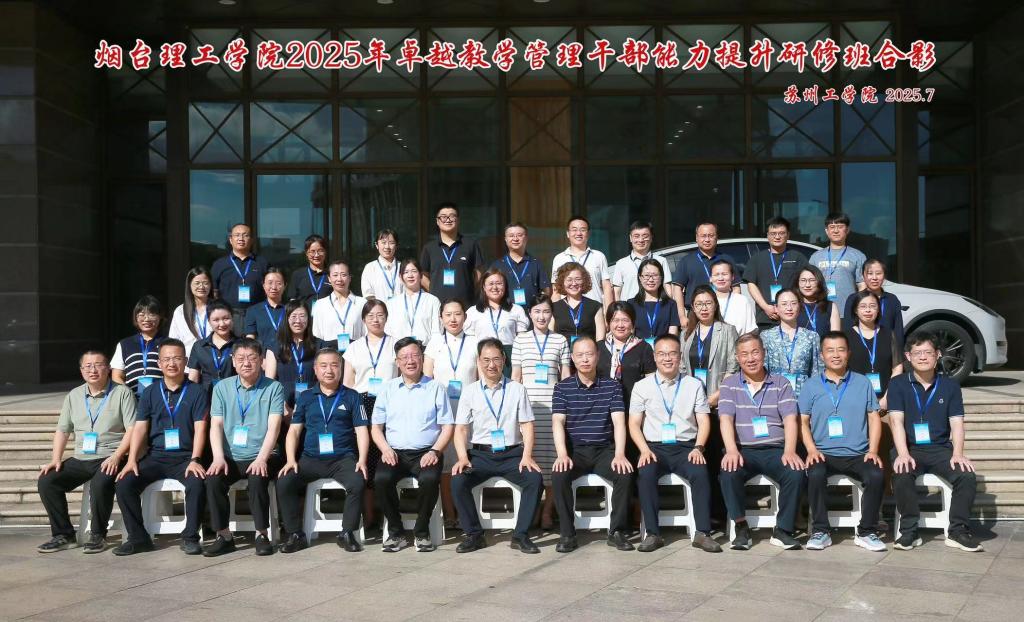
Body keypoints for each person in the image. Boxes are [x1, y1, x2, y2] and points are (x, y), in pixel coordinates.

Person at [888, 331, 982, 552]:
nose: (923, 357)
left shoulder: (950, 386)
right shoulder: (898, 384)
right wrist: (903, 453)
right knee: (902, 473)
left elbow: (957, 423)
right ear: (908, 356)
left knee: (966, 476)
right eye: (917, 353)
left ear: (937, 354)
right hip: (909, 447)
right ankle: (909, 531)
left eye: (928, 352)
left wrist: (958, 454)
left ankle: (958, 531)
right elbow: (895, 421)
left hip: (940, 449)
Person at [113, 339, 208, 556]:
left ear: (185, 361)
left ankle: (190, 537)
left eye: (177, 358)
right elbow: (139, 428)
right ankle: (138, 539)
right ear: (159, 363)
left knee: (197, 483)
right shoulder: (150, 392)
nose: (171, 363)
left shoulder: (197, 391)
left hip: (185, 457)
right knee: (125, 483)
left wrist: (195, 459)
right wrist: (131, 460)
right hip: (155, 457)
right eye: (166, 359)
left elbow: (201, 429)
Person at [629, 334, 722, 553]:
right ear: (654, 357)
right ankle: (653, 534)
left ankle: (702, 533)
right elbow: (633, 423)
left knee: (700, 472)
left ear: (680, 356)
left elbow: (703, 420)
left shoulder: (694, 384)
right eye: (662, 354)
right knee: (646, 473)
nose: (667, 358)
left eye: (672, 353)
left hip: (686, 447)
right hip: (654, 447)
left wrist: (699, 447)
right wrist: (643, 450)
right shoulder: (642, 386)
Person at [36, 351, 136, 554]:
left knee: (100, 483)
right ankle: (64, 535)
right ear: (81, 370)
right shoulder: (74, 395)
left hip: (110, 456)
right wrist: (55, 459)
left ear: (108, 369)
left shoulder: (122, 393)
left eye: (98, 365)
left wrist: (117, 456)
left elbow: (132, 429)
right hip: (81, 457)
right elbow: (63, 430)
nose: (93, 370)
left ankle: (98, 535)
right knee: (47, 481)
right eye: (88, 366)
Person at [451, 338, 544, 554]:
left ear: (504, 360)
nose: (491, 365)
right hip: (480, 456)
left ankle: (520, 535)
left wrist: (527, 456)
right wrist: (463, 457)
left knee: (534, 479)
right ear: (478, 361)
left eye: (496, 359)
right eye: (486, 360)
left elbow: (527, 425)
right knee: (458, 481)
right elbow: (461, 429)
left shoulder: (517, 389)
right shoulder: (470, 391)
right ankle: (474, 535)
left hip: (513, 455)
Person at [800, 331, 887, 552]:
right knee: (815, 474)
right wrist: (811, 449)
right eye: (830, 350)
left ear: (848, 353)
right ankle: (821, 531)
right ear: (822, 355)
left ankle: (867, 531)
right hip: (823, 452)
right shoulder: (811, 385)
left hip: (858, 453)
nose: (836, 355)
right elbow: (802, 421)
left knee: (876, 475)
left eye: (841, 350)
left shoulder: (862, 382)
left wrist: (873, 450)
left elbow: (874, 417)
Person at [718, 333, 806, 550]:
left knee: (795, 472)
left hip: (776, 449)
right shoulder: (729, 384)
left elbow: (790, 419)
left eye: (755, 352)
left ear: (764, 353)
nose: (750, 358)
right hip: (744, 450)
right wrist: (731, 450)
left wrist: (790, 450)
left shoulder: (781, 383)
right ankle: (741, 527)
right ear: (737, 358)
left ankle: (783, 530)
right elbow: (725, 419)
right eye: (744, 354)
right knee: (728, 472)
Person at [276, 349, 369, 553]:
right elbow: (294, 431)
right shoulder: (306, 397)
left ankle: (347, 533)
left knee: (357, 482)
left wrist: (362, 459)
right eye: (324, 366)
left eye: (334, 365)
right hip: (311, 459)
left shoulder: (352, 396)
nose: (329, 370)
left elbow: (362, 431)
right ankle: (295, 534)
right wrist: (291, 459)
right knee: (284, 481)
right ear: (316, 370)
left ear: (341, 369)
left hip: (343, 459)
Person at [551, 335, 635, 553]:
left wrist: (619, 454)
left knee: (624, 473)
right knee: (559, 475)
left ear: (598, 356)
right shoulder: (562, 388)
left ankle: (616, 531)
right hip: (576, 451)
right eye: (580, 355)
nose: (585, 359)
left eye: (589, 354)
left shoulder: (612, 386)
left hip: (603, 450)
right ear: (572, 358)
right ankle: (567, 534)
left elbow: (619, 422)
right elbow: (558, 422)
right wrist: (562, 454)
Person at [371, 337, 454, 552]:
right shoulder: (387, 389)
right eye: (404, 357)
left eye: (415, 355)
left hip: (426, 453)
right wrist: (385, 449)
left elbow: (447, 426)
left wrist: (435, 451)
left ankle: (422, 531)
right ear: (397, 362)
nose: (410, 361)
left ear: (422, 358)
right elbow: (376, 428)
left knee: (429, 479)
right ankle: (396, 532)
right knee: (381, 479)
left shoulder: (435, 388)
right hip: (394, 453)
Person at [203, 338, 285, 557]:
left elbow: (274, 427)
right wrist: (218, 457)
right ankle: (224, 536)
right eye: (240, 358)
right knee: (213, 479)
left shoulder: (274, 387)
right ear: (233, 361)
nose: (246, 363)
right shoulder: (221, 387)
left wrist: (261, 459)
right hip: (231, 456)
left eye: (251, 358)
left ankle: (261, 534)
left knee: (258, 477)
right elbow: (216, 425)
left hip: (263, 453)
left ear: (261, 361)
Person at [511, 294, 571, 529]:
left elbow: (565, 376)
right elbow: (516, 377)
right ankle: (534, 507)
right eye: (537, 311)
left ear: (551, 314)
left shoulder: (560, 340)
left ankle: (547, 511)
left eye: (546, 311)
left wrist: (567, 404)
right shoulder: (520, 340)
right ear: (530, 314)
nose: (541, 316)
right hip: (529, 409)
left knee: (553, 460)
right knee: (532, 459)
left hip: (554, 409)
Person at [423, 299, 479, 526]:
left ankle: (468, 514)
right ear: (441, 318)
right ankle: (449, 514)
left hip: (469, 413)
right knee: (446, 465)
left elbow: (480, 378)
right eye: (448, 315)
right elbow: (427, 379)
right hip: (442, 413)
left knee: (467, 460)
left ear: (465, 317)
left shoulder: (474, 342)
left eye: (457, 314)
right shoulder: (434, 342)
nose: (453, 319)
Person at [342, 299, 396, 526]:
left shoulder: (395, 344)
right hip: (361, 403)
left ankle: (387, 513)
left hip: (390, 403)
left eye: (380, 315)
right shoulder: (354, 347)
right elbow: (348, 383)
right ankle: (369, 516)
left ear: (387, 317)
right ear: (363, 320)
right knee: (365, 457)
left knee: (386, 457)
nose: (376, 319)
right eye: (371, 316)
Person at [744, 216, 809, 331]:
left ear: (788, 235)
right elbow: (751, 284)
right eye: (773, 233)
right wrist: (766, 307)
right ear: (767, 236)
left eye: (781, 233)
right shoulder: (757, 258)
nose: (777, 237)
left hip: (793, 318)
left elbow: (806, 284)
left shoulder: (797, 257)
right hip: (766, 317)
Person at [680, 285, 739, 408]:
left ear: (715, 305)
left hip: (720, 400)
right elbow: (682, 368)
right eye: (699, 304)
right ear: (693, 308)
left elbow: (733, 368)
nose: (704, 308)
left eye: (708, 303)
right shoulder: (685, 334)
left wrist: (715, 397)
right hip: (692, 400)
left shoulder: (728, 331)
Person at [844, 290, 903, 407]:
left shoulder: (888, 334)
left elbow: (897, 367)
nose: (868, 310)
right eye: (863, 306)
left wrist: (886, 398)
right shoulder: (846, 337)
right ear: (855, 310)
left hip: (885, 400)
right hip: (854, 400)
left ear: (878, 309)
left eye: (872, 306)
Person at [420, 203, 485, 306]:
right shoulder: (429, 248)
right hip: (438, 304)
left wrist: (469, 289)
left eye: (452, 216)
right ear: (437, 221)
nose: (448, 219)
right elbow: (423, 275)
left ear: (458, 220)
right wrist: (434, 292)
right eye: (443, 217)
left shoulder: (470, 244)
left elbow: (479, 272)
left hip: (465, 304)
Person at [465, 268, 530, 371]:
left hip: (509, 359)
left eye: (499, 283)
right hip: (483, 360)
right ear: (484, 287)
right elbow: (469, 342)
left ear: (505, 286)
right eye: (490, 284)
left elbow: (522, 340)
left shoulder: (516, 310)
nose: (495, 287)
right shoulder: (473, 312)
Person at [762, 289, 823, 398]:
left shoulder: (811, 336)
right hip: (774, 394)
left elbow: (817, 371)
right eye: (784, 304)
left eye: (793, 303)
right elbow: (763, 371)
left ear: (799, 306)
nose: (789, 308)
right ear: (776, 308)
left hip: (804, 395)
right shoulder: (766, 336)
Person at [211, 223, 269, 333]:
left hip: (256, 314)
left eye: (245, 235)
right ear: (230, 239)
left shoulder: (262, 263)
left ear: (251, 240)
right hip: (228, 316)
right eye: (237, 235)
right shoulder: (220, 264)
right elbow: (214, 292)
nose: (241, 238)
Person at [597, 302, 656, 408]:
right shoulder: (598, 348)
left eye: (625, 320)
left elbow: (650, 381)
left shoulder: (643, 347)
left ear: (632, 323)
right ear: (608, 323)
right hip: (602, 407)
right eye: (615, 320)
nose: (620, 325)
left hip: (634, 407)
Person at [264, 300, 318, 415]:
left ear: (308, 319)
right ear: (287, 319)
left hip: (315, 403)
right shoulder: (275, 347)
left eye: (302, 316)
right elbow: (269, 382)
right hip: (283, 406)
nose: (298, 321)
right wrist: (281, 406)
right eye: (293, 316)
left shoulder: (319, 345)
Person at [807, 212, 867, 316]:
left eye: (840, 227)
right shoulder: (815, 257)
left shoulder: (858, 256)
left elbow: (862, 285)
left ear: (847, 230)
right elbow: (809, 285)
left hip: (848, 312)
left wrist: (858, 306)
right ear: (826, 231)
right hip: (821, 311)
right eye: (832, 227)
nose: (836, 231)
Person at [611, 220, 679, 307]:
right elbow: (617, 292)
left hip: (656, 309)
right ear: (630, 238)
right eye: (636, 236)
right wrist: (619, 309)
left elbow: (667, 287)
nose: (641, 240)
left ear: (651, 238)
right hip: (629, 310)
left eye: (645, 236)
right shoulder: (621, 263)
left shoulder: (661, 261)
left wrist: (668, 307)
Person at [550, 216, 612, 307]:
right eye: (574, 230)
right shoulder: (559, 258)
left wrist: (609, 312)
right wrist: (555, 312)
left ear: (588, 234)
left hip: (595, 310)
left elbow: (606, 287)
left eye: (583, 230)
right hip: (567, 310)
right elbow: (556, 291)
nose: (578, 233)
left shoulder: (599, 256)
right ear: (568, 234)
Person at [843, 259, 906, 350]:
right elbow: (848, 328)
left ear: (884, 275)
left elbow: (898, 331)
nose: (874, 278)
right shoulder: (853, 299)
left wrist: (898, 352)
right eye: (870, 273)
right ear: (863, 276)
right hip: (859, 350)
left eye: (878, 273)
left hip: (886, 350)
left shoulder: (892, 300)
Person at [676, 223, 739, 309]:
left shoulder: (727, 259)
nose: (707, 239)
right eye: (703, 236)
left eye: (711, 236)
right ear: (697, 238)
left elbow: (736, 287)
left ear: (716, 237)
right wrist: (681, 314)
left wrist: (734, 308)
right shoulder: (686, 261)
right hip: (695, 311)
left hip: (723, 309)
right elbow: (677, 289)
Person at [111, 295, 165, 396]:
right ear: (136, 317)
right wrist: (129, 396)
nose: (146, 319)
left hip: (161, 397)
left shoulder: (168, 343)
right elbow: (117, 376)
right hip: (132, 397)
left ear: (160, 316)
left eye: (152, 314)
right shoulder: (124, 344)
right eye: (142, 315)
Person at [491, 222, 550, 308]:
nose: (515, 239)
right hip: (505, 312)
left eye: (519, 235)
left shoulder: (536, 264)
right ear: (505, 239)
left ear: (526, 238)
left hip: (531, 313)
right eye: (511, 236)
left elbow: (546, 290)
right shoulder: (497, 265)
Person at [311, 260, 367, 350]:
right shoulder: (320, 305)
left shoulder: (362, 303)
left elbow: (367, 333)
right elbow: (317, 336)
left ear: (350, 278)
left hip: (356, 354)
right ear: (329, 278)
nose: (339, 279)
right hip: (329, 355)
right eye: (335, 275)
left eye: (343, 275)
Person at [385, 258, 441, 346]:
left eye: (414, 271)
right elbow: (388, 331)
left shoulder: (432, 301)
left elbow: (437, 331)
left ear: (421, 275)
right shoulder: (392, 303)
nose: (410, 275)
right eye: (406, 272)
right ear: (400, 277)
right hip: (399, 350)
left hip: (425, 350)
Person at [186, 300, 236, 393]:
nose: (222, 324)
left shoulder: (240, 345)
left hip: (233, 395)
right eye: (216, 320)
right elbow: (193, 377)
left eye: (226, 318)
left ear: (232, 318)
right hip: (206, 396)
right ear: (209, 321)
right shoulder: (199, 346)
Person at [551, 263, 606, 345]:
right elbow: (550, 337)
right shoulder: (554, 308)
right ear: (562, 282)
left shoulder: (595, 306)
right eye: (569, 280)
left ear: (584, 281)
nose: (574, 283)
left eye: (578, 279)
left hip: (588, 351)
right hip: (563, 352)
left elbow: (600, 339)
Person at [629, 258, 681, 345]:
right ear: (640, 278)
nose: (651, 280)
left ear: (661, 278)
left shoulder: (670, 304)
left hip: (663, 350)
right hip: (638, 350)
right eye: (646, 275)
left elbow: (673, 334)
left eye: (655, 275)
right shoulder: (631, 304)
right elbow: (630, 333)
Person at [168, 267, 213, 358]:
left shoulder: (219, 308)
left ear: (211, 285)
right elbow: (174, 340)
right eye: (197, 283)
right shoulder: (180, 311)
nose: (201, 287)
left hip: (214, 360)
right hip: (188, 361)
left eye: (205, 283)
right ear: (189, 285)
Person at [244, 267, 287, 352]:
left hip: (287, 355)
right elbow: (250, 339)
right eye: (270, 283)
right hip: (262, 356)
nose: (274, 287)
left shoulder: (290, 310)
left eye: (278, 283)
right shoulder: (253, 311)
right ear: (263, 285)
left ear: (285, 286)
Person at [709, 260, 756, 336]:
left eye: (724, 274)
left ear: (732, 277)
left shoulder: (741, 300)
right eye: (716, 274)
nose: (720, 278)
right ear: (710, 278)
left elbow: (750, 330)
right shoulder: (707, 301)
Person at [286, 234, 330, 308]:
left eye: (320, 251)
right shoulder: (298, 275)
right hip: (304, 315)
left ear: (325, 252)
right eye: (312, 251)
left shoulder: (331, 274)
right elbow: (292, 301)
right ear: (306, 253)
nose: (316, 255)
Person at [796, 266, 841, 339]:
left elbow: (836, 338)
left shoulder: (830, 306)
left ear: (819, 282)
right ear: (798, 283)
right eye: (803, 280)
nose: (807, 285)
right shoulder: (793, 306)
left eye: (812, 280)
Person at [361, 229, 403, 301]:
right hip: (378, 308)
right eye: (383, 242)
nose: (387, 246)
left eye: (391, 243)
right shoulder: (370, 268)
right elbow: (368, 296)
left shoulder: (403, 267)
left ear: (396, 246)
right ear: (377, 245)